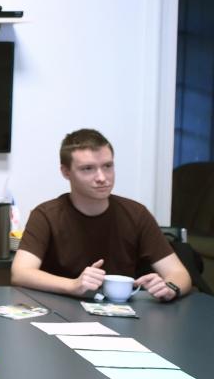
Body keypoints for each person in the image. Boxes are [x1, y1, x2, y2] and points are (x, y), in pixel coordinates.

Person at [11, 129, 192, 300]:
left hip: (120, 312)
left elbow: (179, 273)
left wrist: (170, 288)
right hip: (58, 310)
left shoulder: (136, 214)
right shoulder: (46, 215)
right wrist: (73, 286)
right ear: (66, 172)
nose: (102, 177)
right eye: (88, 168)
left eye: (107, 166)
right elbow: (20, 273)